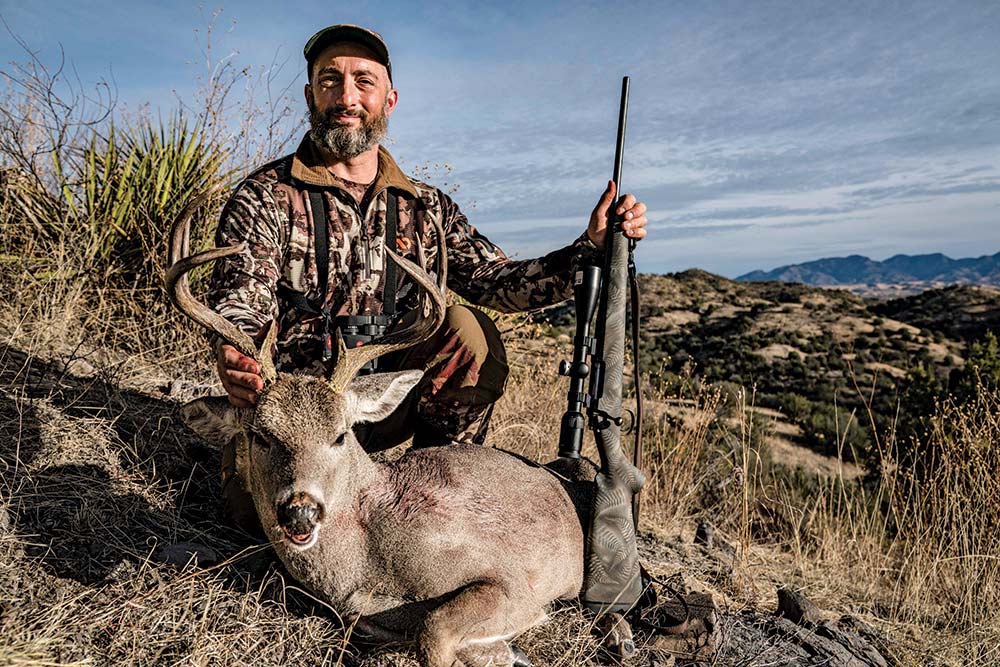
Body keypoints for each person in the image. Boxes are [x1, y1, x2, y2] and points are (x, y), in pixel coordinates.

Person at [206, 24, 647, 529]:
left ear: (389, 100)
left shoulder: (427, 207)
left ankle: (432, 483)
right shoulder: (265, 196)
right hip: (295, 423)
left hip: (384, 403)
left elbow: (498, 282)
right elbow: (239, 302)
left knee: (468, 330)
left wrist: (588, 247)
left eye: (364, 81)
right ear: (310, 95)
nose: (347, 97)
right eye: (330, 80)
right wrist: (237, 352)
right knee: (255, 534)